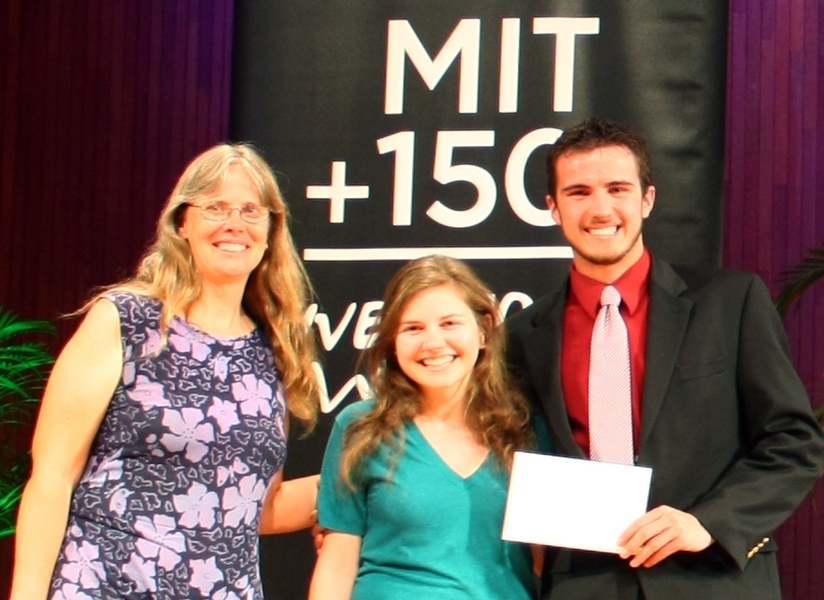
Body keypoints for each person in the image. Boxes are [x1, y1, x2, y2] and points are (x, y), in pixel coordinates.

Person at [506, 117, 824, 600]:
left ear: (647, 199)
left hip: (712, 580)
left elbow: (795, 441)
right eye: (578, 192)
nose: (600, 209)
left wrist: (708, 523)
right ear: (553, 207)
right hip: (584, 587)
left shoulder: (731, 302)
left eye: (618, 189)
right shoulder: (523, 336)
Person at [10, 143, 322, 599]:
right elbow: (53, 476)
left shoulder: (273, 352)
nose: (235, 223)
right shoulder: (126, 320)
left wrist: (360, 487)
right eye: (215, 207)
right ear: (182, 223)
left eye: (251, 210)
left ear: (272, 230)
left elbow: (254, 506)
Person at [308, 255, 538, 600]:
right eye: (413, 328)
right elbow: (337, 564)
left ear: (483, 331)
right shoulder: (360, 427)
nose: (433, 343)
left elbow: (549, 561)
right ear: (392, 340)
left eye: (449, 323)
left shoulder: (524, 428)